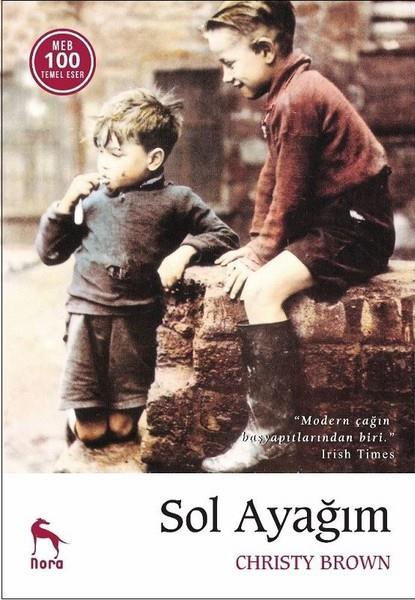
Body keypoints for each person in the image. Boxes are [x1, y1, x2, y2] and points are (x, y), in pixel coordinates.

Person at [201, 0, 395, 472]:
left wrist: (263, 257)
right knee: (260, 273)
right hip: (334, 222)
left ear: (266, 50)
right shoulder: (287, 92)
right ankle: (269, 433)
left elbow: (290, 195)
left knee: (262, 291)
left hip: (357, 227)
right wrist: (256, 244)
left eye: (230, 62)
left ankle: (270, 434)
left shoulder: (299, 98)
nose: (227, 76)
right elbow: (272, 176)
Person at [36, 87, 239, 447]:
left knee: (121, 428)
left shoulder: (177, 199)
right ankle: (75, 423)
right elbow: (50, 253)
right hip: (87, 318)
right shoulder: (90, 200)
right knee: (92, 433)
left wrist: (185, 252)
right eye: (101, 151)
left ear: (154, 158)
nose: (103, 162)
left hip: (137, 323)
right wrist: (65, 206)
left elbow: (225, 236)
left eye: (116, 154)